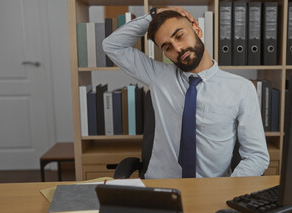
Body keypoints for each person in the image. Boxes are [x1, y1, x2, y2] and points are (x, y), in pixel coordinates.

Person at [103, 7, 269, 179]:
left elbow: (257, 157)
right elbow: (112, 46)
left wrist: (228, 189)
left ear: (197, 29)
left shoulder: (241, 88)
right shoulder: (158, 76)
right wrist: (154, 14)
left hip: (211, 190)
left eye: (180, 36)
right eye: (167, 47)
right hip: (159, 187)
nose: (178, 48)